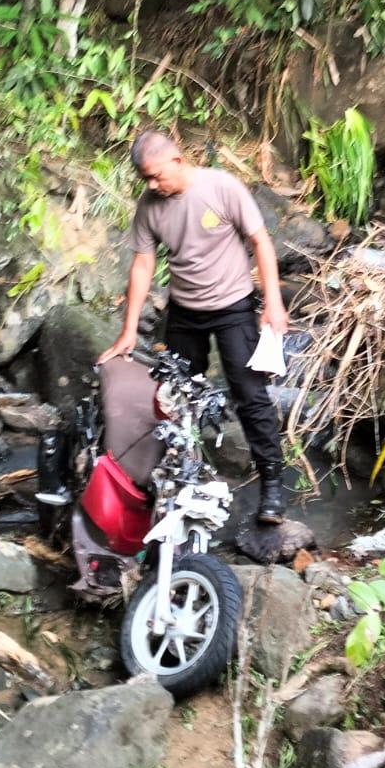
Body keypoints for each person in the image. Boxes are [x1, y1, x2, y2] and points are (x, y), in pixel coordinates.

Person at [98, 132, 291, 524]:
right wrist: (129, 330)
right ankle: (179, 480)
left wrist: (272, 302)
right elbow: (142, 266)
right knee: (176, 396)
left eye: (155, 176)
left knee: (249, 395)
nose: (152, 185)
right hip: (185, 311)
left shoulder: (221, 187)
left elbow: (260, 241)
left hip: (234, 307)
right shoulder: (150, 206)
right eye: (145, 179)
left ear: (178, 160)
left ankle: (272, 485)